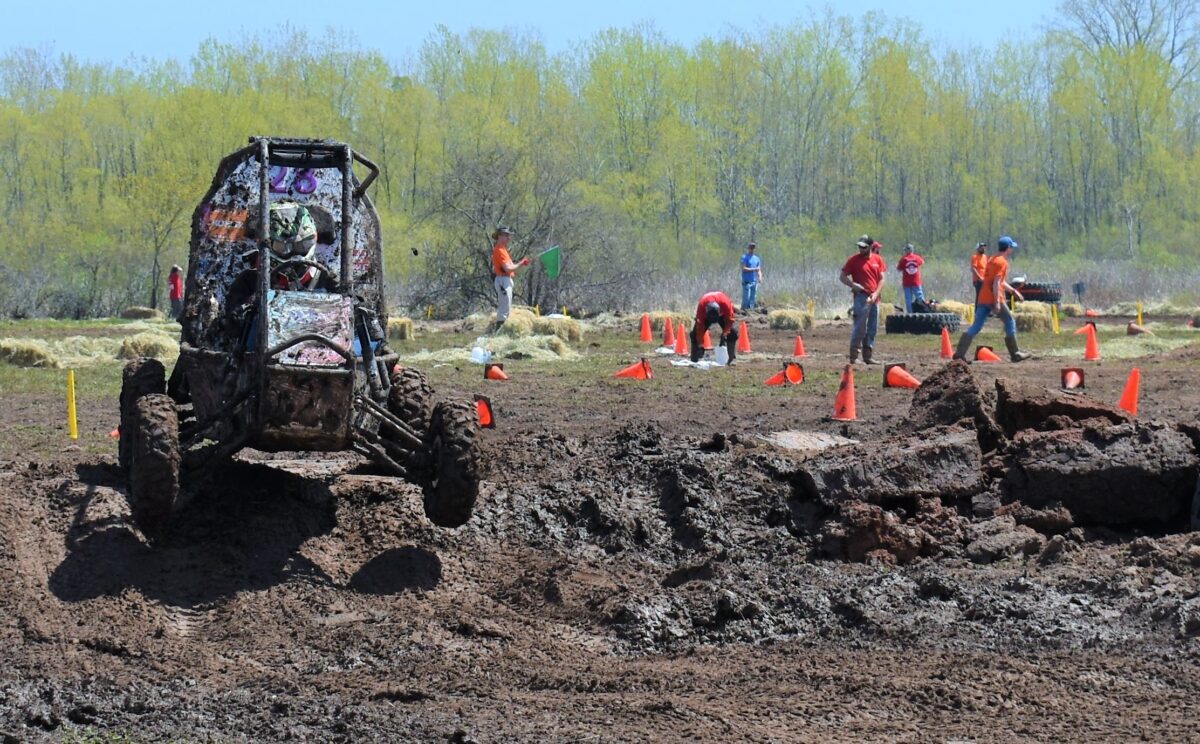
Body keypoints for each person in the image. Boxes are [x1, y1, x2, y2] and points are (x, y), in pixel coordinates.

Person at [953, 235, 1030, 362]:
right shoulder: (1002, 262)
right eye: (1012, 248)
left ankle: (959, 353)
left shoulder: (991, 259)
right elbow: (996, 283)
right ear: (1008, 248)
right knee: (1010, 321)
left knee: (976, 326)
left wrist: (1013, 291)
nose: (1012, 250)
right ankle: (1015, 353)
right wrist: (997, 302)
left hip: (983, 297)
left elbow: (997, 281)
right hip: (995, 297)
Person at [840, 235, 887, 364]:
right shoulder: (853, 260)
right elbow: (842, 276)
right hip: (861, 296)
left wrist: (876, 294)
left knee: (872, 327)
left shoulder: (878, 260)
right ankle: (854, 356)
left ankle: (868, 356)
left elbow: (882, 278)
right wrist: (852, 284)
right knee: (860, 327)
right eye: (859, 246)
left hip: (874, 298)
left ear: (870, 247)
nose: (861, 249)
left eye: (864, 247)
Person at [491, 226, 530, 329]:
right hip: (503, 280)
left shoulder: (503, 250)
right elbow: (508, 269)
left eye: (509, 236)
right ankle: (499, 332)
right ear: (499, 236)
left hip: (505, 280)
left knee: (506, 307)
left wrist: (522, 263)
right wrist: (521, 262)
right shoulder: (499, 250)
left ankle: (501, 331)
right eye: (506, 235)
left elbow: (511, 267)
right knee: (504, 309)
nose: (509, 238)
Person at [690, 290, 738, 364]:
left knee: (732, 334)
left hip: (722, 314)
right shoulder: (702, 307)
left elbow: (730, 320)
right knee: (694, 334)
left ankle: (731, 359)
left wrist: (725, 334)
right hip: (705, 315)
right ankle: (694, 359)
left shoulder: (725, 304)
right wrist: (701, 345)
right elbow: (699, 327)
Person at [896, 243, 926, 313]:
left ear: (908, 250)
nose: (905, 251)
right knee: (920, 297)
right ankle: (924, 312)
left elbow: (898, 269)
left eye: (906, 250)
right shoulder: (917, 257)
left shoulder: (903, 259)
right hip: (916, 281)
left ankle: (910, 314)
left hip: (907, 282)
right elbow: (922, 262)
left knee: (908, 299)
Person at [740, 242, 763, 311]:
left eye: (753, 248)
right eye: (750, 247)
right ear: (748, 248)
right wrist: (754, 269)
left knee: (752, 298)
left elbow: (758, 269)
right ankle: (743, 311)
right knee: (746, 298)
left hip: (754, 281)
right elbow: (743, 268)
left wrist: (760, 276)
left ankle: (750, 311)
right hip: (747, 281)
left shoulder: (757, 258)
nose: (752, 249)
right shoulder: (744, 257)